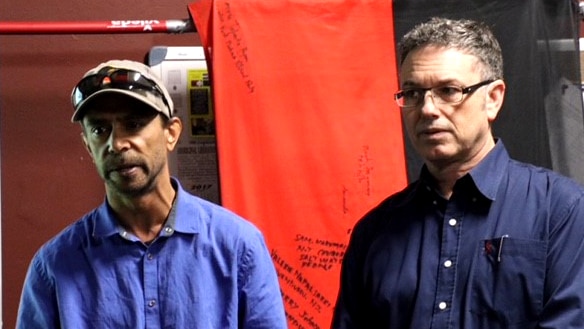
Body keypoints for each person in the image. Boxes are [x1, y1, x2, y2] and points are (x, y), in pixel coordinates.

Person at [331, 17, 584, 328]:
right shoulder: (374, 233)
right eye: (412, 93)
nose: (427, 109)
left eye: (448, 90)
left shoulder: (562, 211)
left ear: (493, 99)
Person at [16, 60, 288, 329]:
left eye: (134, 124)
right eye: (100, 130)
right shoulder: (54, 266)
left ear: (171, 133)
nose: (117, 143)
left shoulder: (238, 247)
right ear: (88, 145)